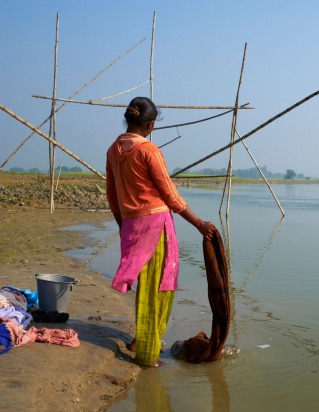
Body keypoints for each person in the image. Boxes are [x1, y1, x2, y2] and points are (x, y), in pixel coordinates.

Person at [105, 96, 215, 367]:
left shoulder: (113, 149)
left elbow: (112, 194)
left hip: (131, 225)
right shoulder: (148, 151)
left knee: (147, 287)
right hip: (155, 226)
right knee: (159, 289)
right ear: (151, 124)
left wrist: (123, 224)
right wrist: (199, 223)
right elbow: (170, 195)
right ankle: (146, 354)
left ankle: (141, 340)